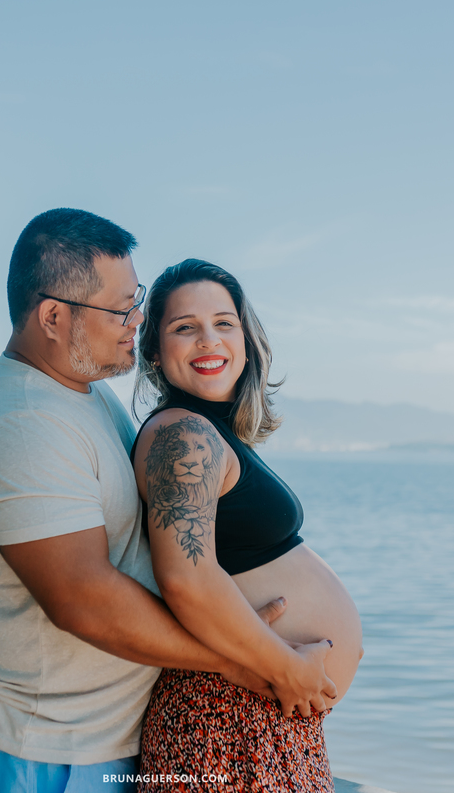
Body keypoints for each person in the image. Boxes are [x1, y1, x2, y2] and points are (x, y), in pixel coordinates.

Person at [0, 209, 333, 793]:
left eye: (138, 299)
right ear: (53, 315)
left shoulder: (84, 394)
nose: (137, 319)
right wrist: (253, 662)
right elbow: (84, 601)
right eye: (121, 307)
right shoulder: (23, 424)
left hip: (96, 741)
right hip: (38, 752)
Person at [132, 259, 363, 792]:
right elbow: (186, 579)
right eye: (184, 327)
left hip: (260, 718)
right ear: (153, 351)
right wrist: (285, 666)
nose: (208, 340)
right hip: (226, 722)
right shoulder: (182, 437)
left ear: (246, 336)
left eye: (224, 322)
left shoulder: (211, 434)